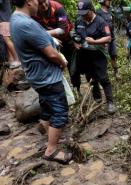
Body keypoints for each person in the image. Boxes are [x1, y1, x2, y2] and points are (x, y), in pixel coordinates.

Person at [10, 0, 72, 163]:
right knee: (60, 110)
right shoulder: (27, 24)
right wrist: (63, 63)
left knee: (46, 106)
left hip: (36, 75)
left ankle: (54, 139)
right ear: (29, 1)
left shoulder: (15, 19)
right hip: (47, 77)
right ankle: (51, 150)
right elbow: (51, 54)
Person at [74, 0, 116, 114]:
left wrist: (95, 42)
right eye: (81, 13)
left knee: (103, 78)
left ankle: (110, 102)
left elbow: (108, 38)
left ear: (92, 10)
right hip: (85, 54)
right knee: (90, 78)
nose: (83, 16)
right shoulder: (79, 21)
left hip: (98, 54)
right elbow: (74, 33)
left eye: (85, 13)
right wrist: (75, 42)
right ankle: (97, 99)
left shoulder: (101, 22)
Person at [32, 0, 82, 95]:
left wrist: (43, 34)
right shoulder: (33, 12)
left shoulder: (58, 8)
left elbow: (62, 29)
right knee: (54, 64)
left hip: (67, 40)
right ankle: (59, 90)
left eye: (44, 1)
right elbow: (34, 30)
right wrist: (51, 38)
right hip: (50, 42)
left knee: (72, 65)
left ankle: (77, 88)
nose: (43, 5)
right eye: (40, 3)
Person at [96, 0, 120, 78]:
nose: (110, 2)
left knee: (113, 55)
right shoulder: (98, 13)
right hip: (104, 38)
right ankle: (103, 74)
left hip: (112, 37)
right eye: (108, 1)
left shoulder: (109, 11)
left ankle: (116, 71)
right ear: (104, 1)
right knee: (104, 56)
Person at [0, 0, 21, 68]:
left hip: (4, 20)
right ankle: (11, 60)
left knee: (6, 40)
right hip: (4, 20)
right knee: (5, 41)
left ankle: (17, 60)